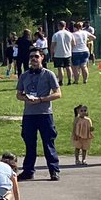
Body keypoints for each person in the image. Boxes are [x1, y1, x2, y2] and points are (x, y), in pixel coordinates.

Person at [16, 51, 61, 181]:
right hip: (29, 114)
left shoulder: (48, 74)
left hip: (45, 114)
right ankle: (28, 171)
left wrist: (41, 99)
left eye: (36, 56)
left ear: (42, 57)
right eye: (31, 57)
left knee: (48, 143)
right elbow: (18, 94)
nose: (34, 59)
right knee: (29, 144)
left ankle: (54, 170)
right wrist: (26, 98)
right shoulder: (24, 76)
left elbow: (58, 93)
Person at [50, 20, 74, 86]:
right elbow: (74, 43)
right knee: (68, 67)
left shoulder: (56, 35)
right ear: (65, 26)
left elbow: (52, 45)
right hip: (68, 53)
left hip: (58, 53)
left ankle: (61, 81)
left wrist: (52, 54)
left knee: (60, 68)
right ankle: (70, 80)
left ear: (58, 26)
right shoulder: (70, 34)